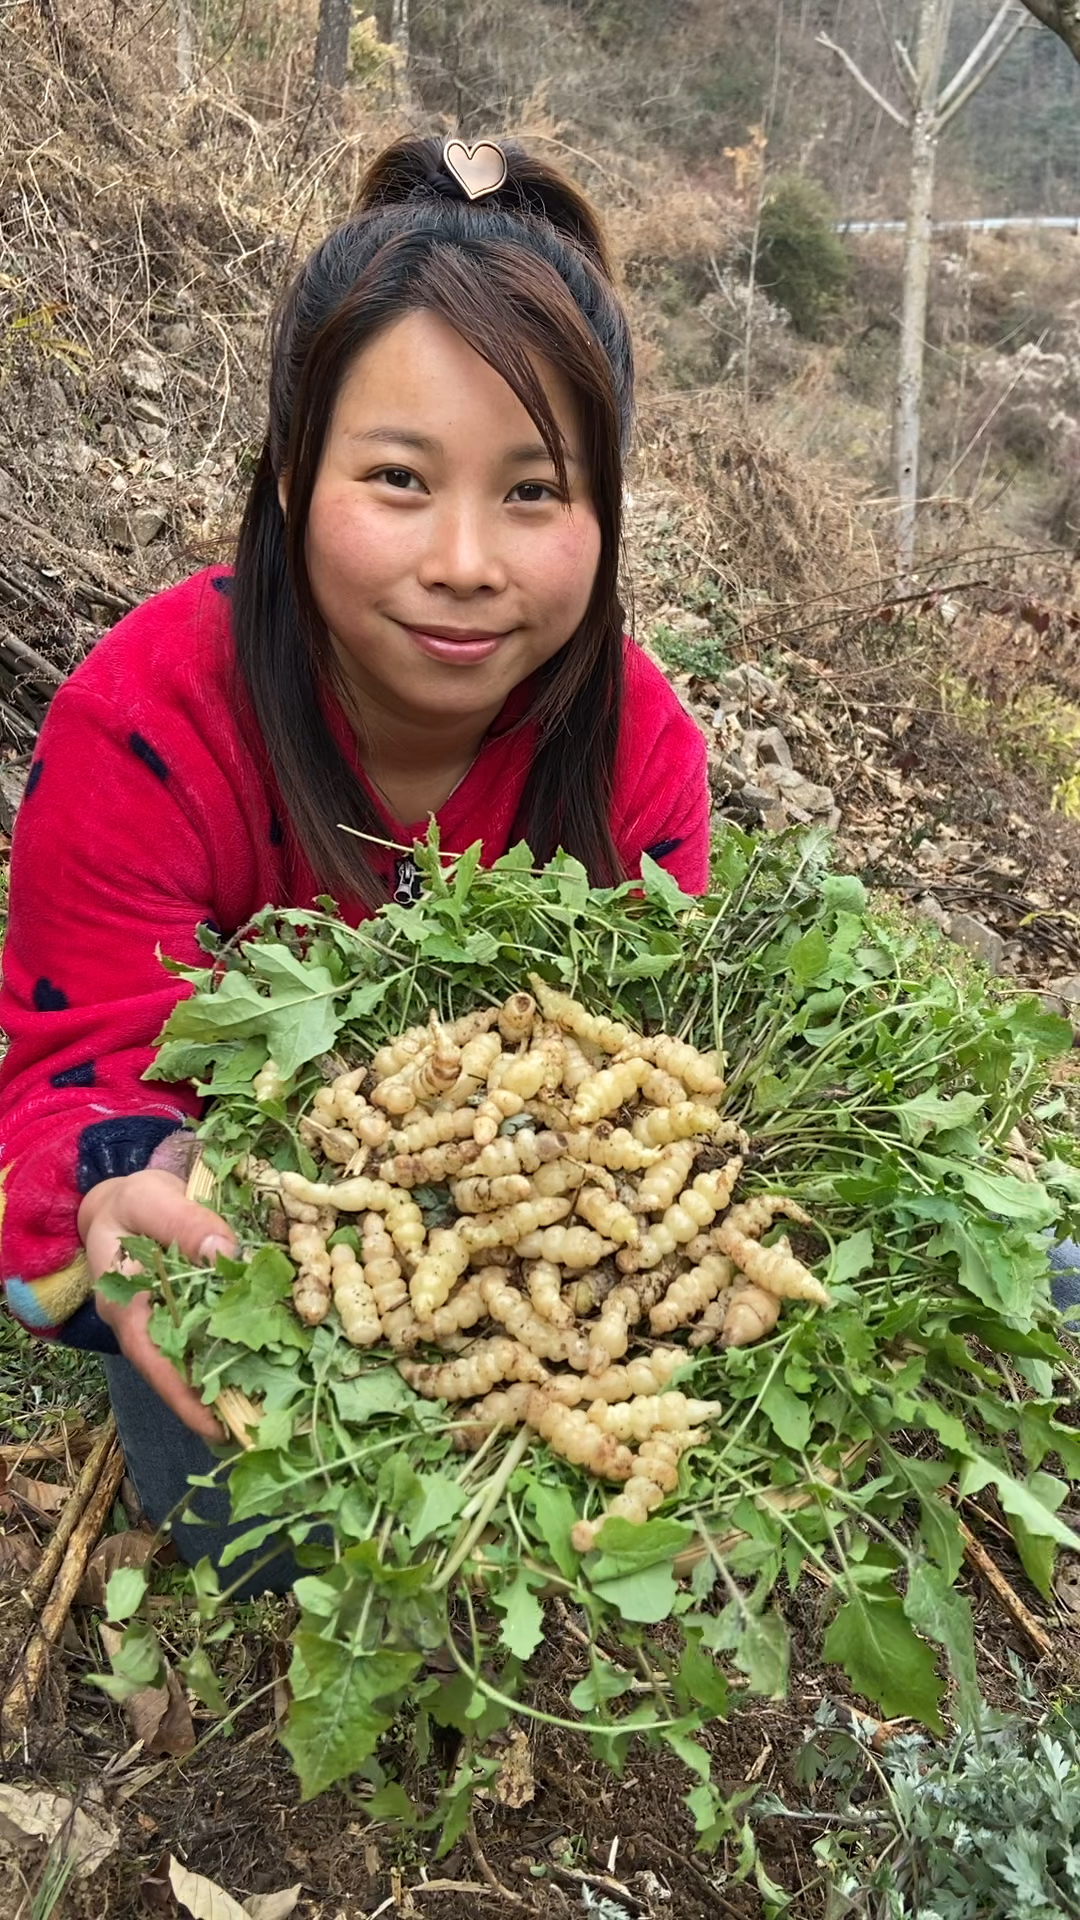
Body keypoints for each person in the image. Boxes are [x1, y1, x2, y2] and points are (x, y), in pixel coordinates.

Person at [0, 135, 710, 1592]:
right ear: (285, 477)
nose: (465, 559)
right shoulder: (147, 718)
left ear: (609, 512)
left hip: (540, 1247)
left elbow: (664, 1062)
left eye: (534, 492)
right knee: (248, 1497)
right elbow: (67, 1070)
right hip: (255, 1233)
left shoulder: (639, 750)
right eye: (398, 478)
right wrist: (128, 1187)